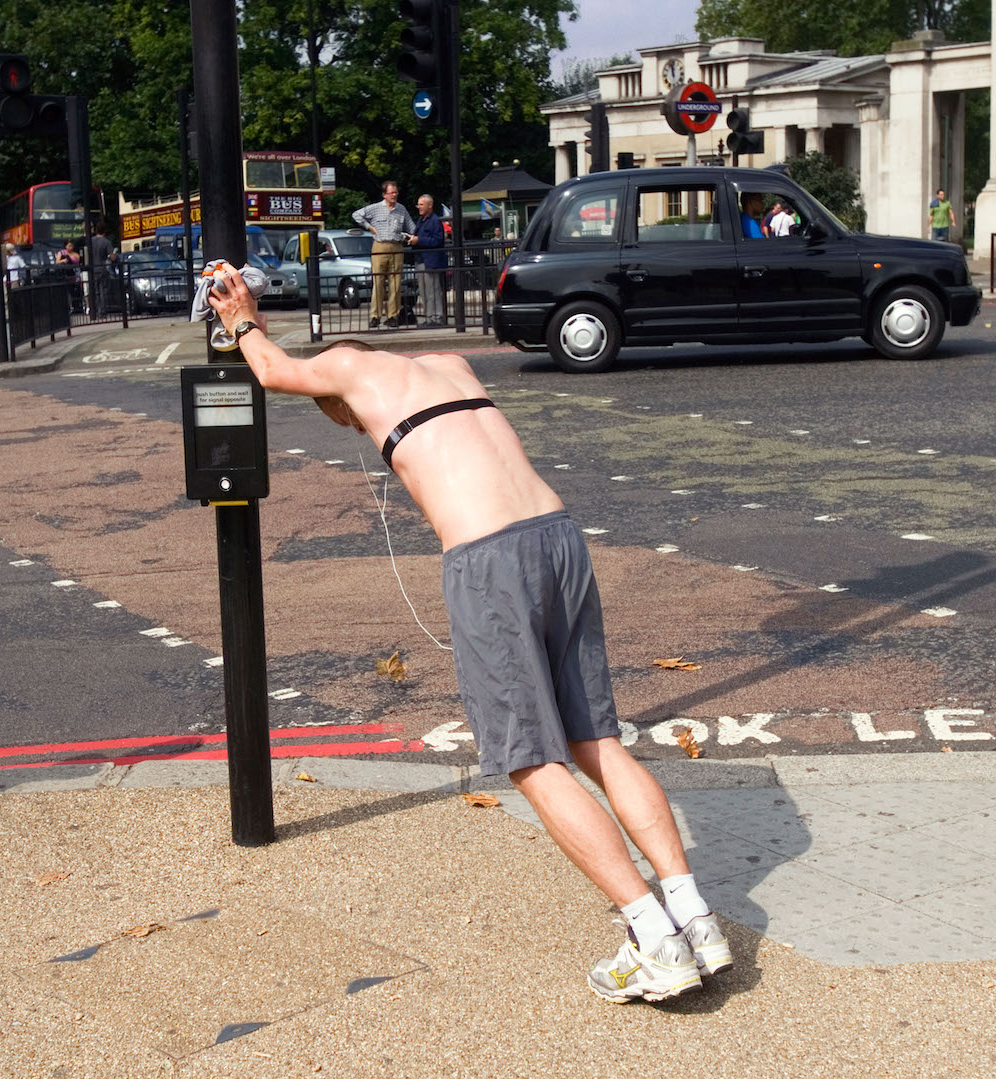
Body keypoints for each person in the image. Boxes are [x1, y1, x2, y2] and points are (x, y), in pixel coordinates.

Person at [206, 269, 734, 1004]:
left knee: (530, 757)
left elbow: (271, 369)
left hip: (489, 557)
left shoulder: (348, 367)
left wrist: (240, 314)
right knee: (597, 739)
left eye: (344, 417)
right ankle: (695, 916)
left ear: (340, 391)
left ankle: (652, 935)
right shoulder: (446, 366)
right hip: (557, 536)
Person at [352, 180, 415, 329]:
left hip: (396, 246)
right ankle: (375, 315)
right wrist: (369, 227)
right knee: (378, 282)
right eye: (391, 193)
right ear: (384, 194)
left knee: (395, 283)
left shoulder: (401, 209)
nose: (394, 195)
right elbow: (356, 215)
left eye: (396, 192)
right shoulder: (375, 208)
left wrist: (407, 237)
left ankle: (393, 316)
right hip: (380, 246)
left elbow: (412, 227)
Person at [407, 193, 447, 328]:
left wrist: (419, 240)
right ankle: (429, 317)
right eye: (418, 204)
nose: (419, 207)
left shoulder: (435, 221)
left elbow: (438, 240)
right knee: (424, 292)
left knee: (433, 291)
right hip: (420, 259)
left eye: (421, 204)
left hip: (430, 261)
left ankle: (437, 317)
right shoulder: (421, 220)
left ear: (430, 205)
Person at [88, 222, 115, 315]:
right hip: (103, 268)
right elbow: (112, 257)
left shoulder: (90, 240)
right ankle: (102, 311)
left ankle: (95, 310)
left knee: (95, 292)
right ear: (104, 231)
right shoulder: (106, 242)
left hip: (93, 269)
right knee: (103, 291)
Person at [57, 239, 83, 312]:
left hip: (75, 274)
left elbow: (79, 260)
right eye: (69, 246)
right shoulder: (62, 253)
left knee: (76, 290)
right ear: (66, 246)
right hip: (66, 274)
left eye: (72, 246)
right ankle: (70, 306)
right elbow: (57, 262)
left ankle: (78, 305)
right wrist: (64, 260)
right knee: (68, 291)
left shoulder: (75, 254)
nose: (71, 248)